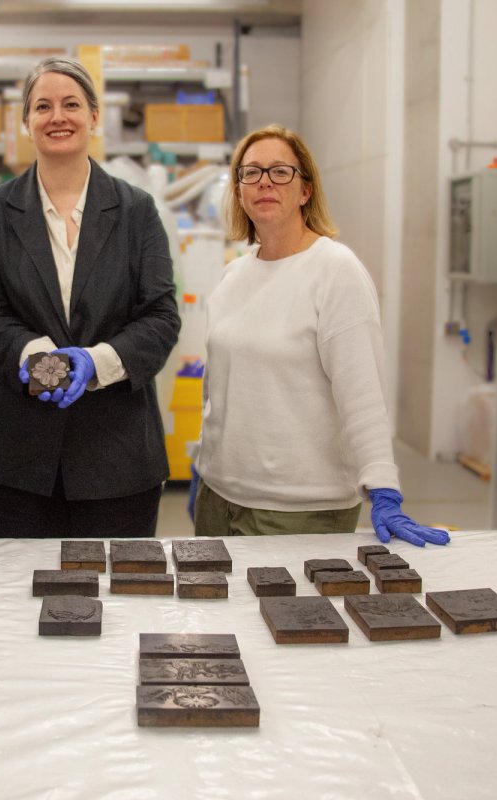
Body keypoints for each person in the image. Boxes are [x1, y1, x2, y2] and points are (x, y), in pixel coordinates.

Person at [190, 124, 448, 547]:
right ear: (238, 192)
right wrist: (204, 463)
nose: (265, 182)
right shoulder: (233, 275)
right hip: (220, 500)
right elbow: (218, 388)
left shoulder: (335, 271)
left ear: (306, 189)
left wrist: (383, 485)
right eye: (251, 173)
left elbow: (362, 391)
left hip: (299, 510)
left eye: (280, 172)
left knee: (282, 617)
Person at [0, 56, 180, 539]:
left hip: (118, 459)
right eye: (43, 106)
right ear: (26, 122)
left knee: (118, 601)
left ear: (94, 116)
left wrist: (95, 361)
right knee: (16, 603)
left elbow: (161, 317)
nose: (57, 117)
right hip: (18, 459)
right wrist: (37, 358)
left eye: (71, 104)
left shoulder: (136, 210)